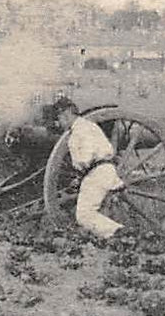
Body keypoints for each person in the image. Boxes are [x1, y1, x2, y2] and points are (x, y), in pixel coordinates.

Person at [53, 97, 125, 240]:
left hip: (98, 173)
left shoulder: (82, 129)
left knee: (84, 215)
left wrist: (79, 169)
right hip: (97, 172)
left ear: (66, 114)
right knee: (85, 214)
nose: (59, 123)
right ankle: (114, 236)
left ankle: (118, 233)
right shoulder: (84, 127)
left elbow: (86, 157)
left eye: (59, 118)